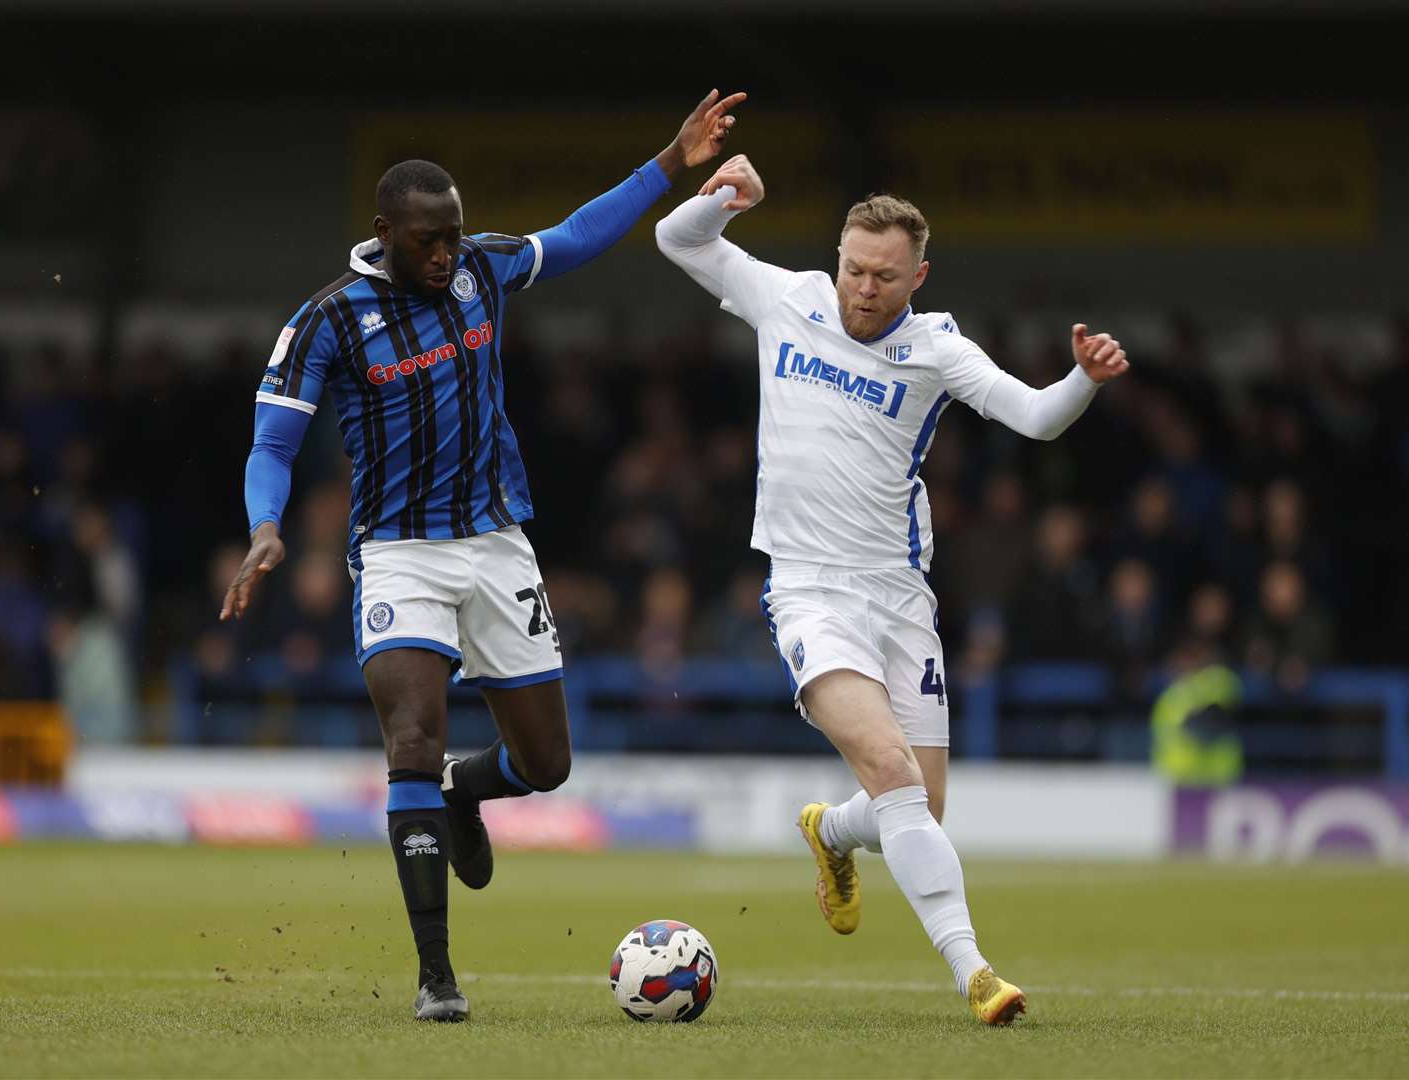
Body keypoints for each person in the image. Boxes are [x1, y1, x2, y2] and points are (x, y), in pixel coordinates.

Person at [219, 90, 746, 1023]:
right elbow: (272, 443)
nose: (446, 254)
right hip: (399, 555)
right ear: (384, 232)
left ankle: (468, 788)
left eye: (455, 236)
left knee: (546, 765)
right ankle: (436, 976)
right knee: (410, 741)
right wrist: (267, 526)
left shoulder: (479, 275)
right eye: (428, 240)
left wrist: (672, 159)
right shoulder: (328, 320)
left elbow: (578, 236)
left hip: (498, 542)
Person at [654, 155, 1128, 1025]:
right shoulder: (787, 296)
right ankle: (975, 972)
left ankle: (831, 833)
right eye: (853, 268)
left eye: (883, 275)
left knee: (917, 804)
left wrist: (1083, 381)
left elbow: (1034, 416)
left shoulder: (937, 347)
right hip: (807, 590)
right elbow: (674, 237)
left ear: (919, 275)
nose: (863, 289)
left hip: (900, 598)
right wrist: (723, 197)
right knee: (892, 772)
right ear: (836, 256)